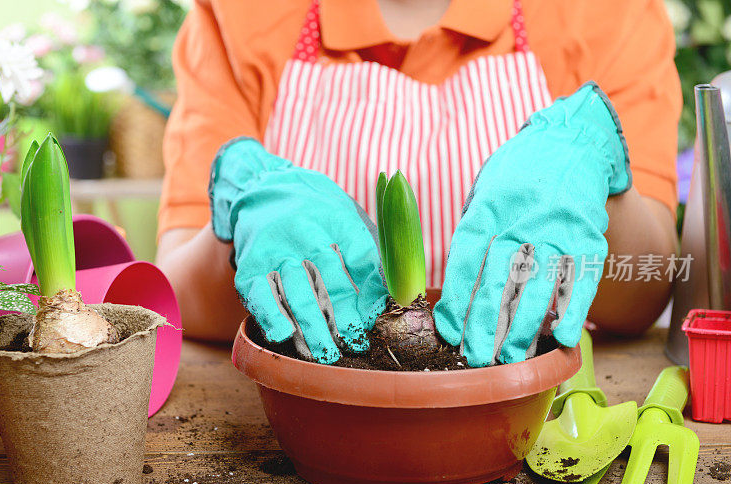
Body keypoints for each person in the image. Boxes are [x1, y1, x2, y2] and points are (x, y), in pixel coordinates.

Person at [157, 0, 680, 364]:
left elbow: (645, 294)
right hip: (319, 395)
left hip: (529, 393)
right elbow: (175, 298)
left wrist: (594, 170)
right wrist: (249, 205)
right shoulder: (236, 14)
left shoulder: (610, 11)